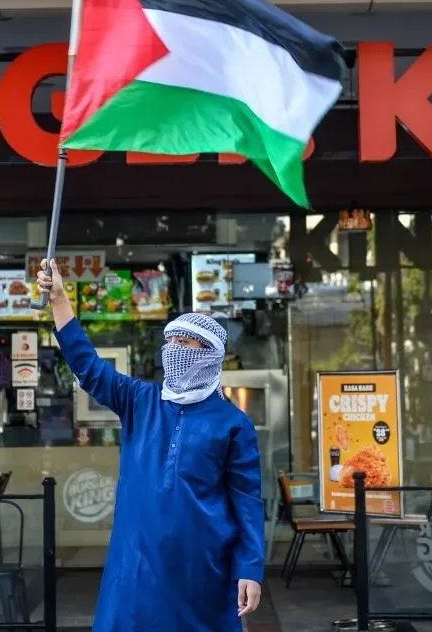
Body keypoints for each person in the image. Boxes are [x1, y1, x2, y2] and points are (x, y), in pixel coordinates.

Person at [38, 260, 265, 631]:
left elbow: (247, 501)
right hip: (137, 563)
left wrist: (251, 568)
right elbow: (87, 365)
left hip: (203, 567)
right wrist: (60, 298)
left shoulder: (233, 424)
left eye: (185, 342)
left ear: (209, 353)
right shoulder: (139, 401)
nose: (174, 348)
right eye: (170, 340)